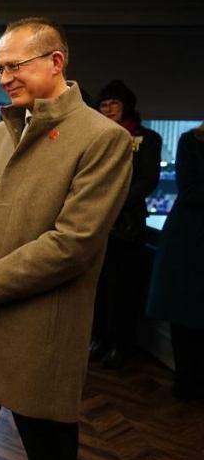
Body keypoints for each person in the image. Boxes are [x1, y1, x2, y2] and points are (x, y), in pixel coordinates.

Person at [0, 18, 133, 460]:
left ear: (56, 61)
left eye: (15, 66)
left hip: (38, 334)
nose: (5, 79)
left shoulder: (104, 139)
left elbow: (73, 243)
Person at [90, 80, 162, 369]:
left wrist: (112, 202)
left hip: (128, 226)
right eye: (103, 105)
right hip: (97, 225)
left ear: (127, 105)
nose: (108, 110)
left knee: (125, 291)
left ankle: (121, 345)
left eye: (114, 104)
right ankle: (100, 339)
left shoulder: (149, 138)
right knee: (100, 289)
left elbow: (147, 182)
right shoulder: (96, 136)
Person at [147, 123, 204, 401]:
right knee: (185, 314)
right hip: (190, 240)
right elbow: (190, 190)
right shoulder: (191, 140)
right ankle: (186, 381)